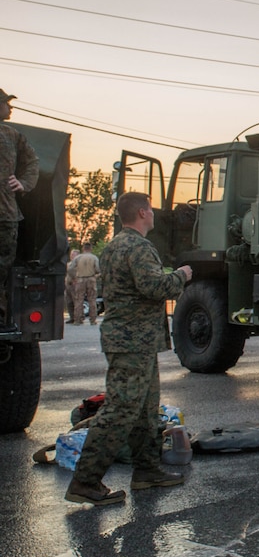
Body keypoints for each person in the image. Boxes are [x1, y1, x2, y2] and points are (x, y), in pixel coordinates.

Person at [65, 192, 193, 506]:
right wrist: (181, 276)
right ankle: (85, 481)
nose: (154, 214)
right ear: (141, 212)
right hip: (131, 342)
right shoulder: (138, 247)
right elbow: (154, 287)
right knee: (120, 410)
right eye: (150, 209)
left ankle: (147, 471)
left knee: (146, 410)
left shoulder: (113, 246)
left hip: (137, 341)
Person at [0, 88, 39, 332]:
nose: (10, 107)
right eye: (6, 103)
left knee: (2, 269)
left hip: (5, 216)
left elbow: (33, 162)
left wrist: (23, 183)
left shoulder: (12, 135)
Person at [71, 242, 101, 325]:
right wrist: (95, 276)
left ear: (83, 248)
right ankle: (93, 320)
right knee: (92, 300)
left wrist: (74, 277)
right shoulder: (94, 258)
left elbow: (71, 268)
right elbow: (98, 269)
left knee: (79, 300)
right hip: (91, 279)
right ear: (91, 248)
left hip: (80, 279)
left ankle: (77, 319)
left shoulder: (78, 258)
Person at [65, 249, 78, 323]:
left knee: (76, 301)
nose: (71, 256)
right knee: (69, 302)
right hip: (68, 284)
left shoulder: (78, 264)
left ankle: (78, 317)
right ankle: (71, 317)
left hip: (75, 284)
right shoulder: (68, 264)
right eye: (71, 255)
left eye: (73, 255)